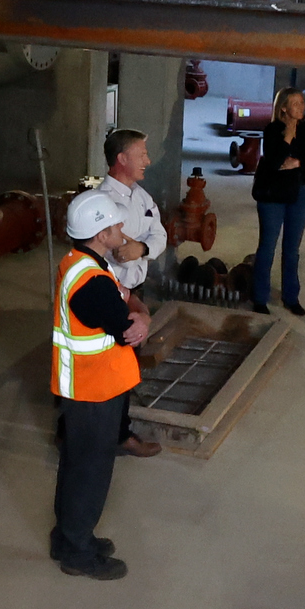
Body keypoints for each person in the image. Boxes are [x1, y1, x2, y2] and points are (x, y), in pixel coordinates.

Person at [49, 190, 148, 582]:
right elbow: (129, 331)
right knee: (90, 472)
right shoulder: (91, 283)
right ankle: (78, 551)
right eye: (116, 225)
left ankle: (67, 537)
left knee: (76, 465)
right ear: (101, 233)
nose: (121, 229)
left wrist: (132, 306)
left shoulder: (80, 263)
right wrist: (144, 320)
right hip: (95, 391)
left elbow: (121, 301)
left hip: (86, 388)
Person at [99, 128, 169, 458]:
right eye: (141, 155)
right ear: (122, 159)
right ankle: (112, 435)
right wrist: (134, 247)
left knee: (127, 365)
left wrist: (140, 247)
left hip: (133, 287)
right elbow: (112, 252)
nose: (148, 161)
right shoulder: (102, 202)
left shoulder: (140, 196)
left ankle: (116, 430)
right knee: (111, 366)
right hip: (112, 292)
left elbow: (161, 236)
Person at [251, 88, 305, 317]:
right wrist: (288, 136)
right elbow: (274, 161)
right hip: (273, 194)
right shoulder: (272, 130)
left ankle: (291, 297)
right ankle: (259, 298)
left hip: (300, 192)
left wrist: (298, 163)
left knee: (292, 249)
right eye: (294, 103)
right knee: (267, 247)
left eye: (301, 103)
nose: (300, 107)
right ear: (283, 107)